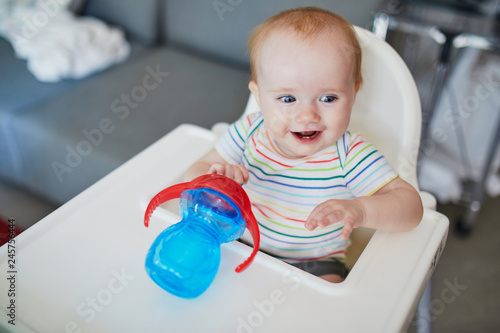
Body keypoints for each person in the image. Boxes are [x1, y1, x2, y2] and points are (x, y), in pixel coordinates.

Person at [185, 7, 423, 283]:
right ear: (260, 97)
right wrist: (215, 181)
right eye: (288, 99)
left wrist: (361, 210)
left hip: (315, 263)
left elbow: (411, 208)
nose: (307, 116)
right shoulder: (249, 131)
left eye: (328, 98)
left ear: (353, 94)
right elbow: (194, 172)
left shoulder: (350, 154)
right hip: (239, 243)